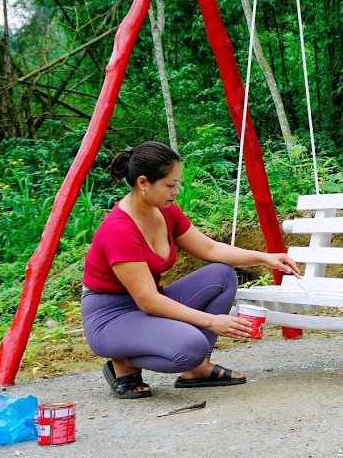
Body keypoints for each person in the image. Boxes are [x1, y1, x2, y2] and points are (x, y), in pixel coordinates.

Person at [81, 140, 300, 399]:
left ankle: (197, 370)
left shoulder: (165, 212)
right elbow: (148, 301)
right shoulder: (120, 229)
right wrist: (212, 321)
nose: (176, 191)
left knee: (222, 275)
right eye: (170, 185)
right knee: (191, 346)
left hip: (149, 303)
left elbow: (210, 249)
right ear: (143, 183)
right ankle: (124, 363)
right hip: (111, 317)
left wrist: (265, 258)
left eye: (177, 184)